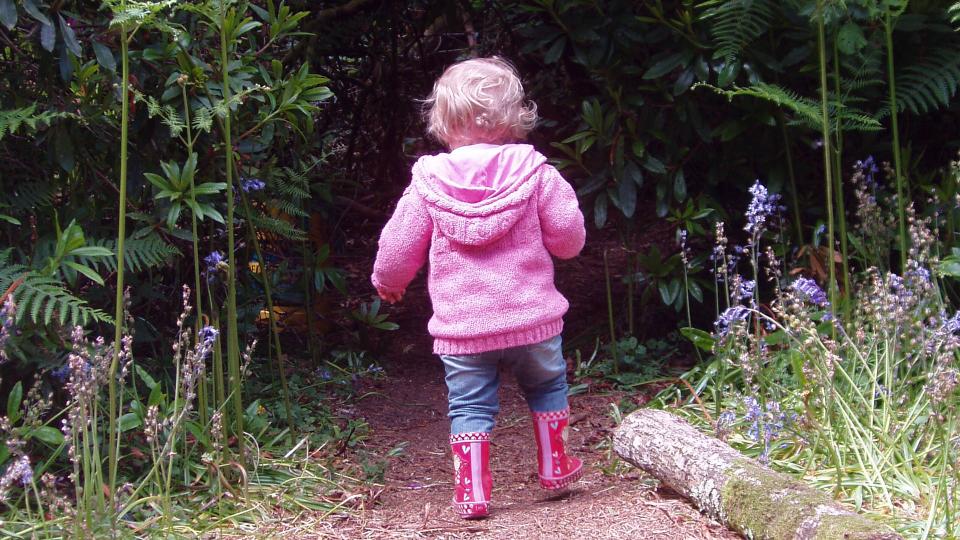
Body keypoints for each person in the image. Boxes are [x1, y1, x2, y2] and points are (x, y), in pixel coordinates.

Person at [371, 56, 586, 519]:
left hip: (463, 329)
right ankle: (557, 467)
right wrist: (560, 243)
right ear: (514, 117)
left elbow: (397, 245)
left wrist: (388, 283)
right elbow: (569, 238)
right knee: (548, 386)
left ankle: (471, 492)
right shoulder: (537, 174)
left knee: (469, 405)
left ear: (442, 121)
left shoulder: (428, 184)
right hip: (533, 320)